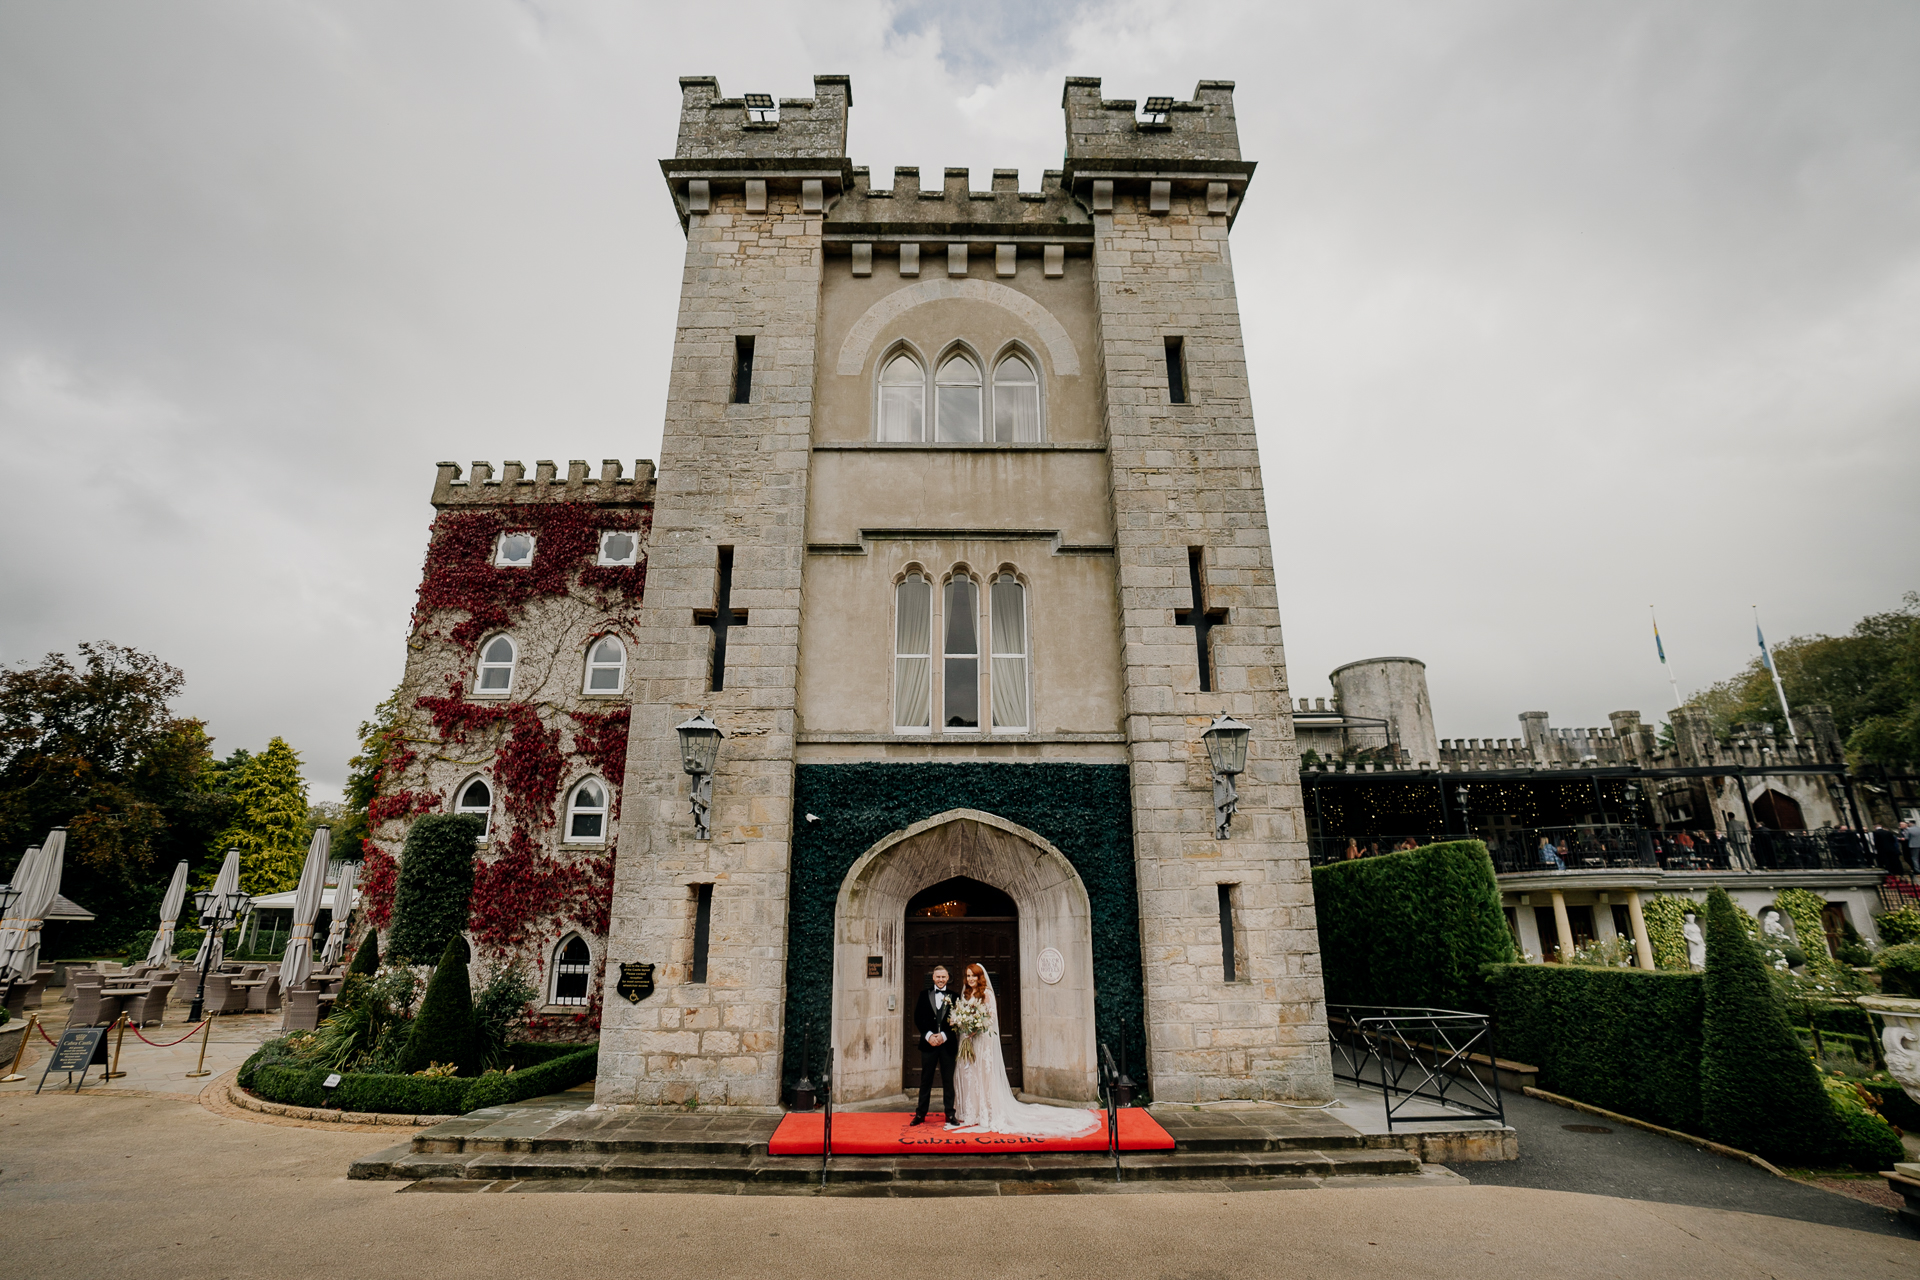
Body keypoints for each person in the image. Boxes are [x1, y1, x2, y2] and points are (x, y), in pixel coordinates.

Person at [948, 963, 1101, 1138]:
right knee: (970, 1074)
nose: (970, 979)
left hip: (982, 1040)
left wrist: (975, 1028)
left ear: (980, 977)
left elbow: (990, 1019)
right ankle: (970, 1111)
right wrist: (963, 1025)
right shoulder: (966, 993)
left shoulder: (987, 994)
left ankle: (986, 1111)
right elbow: (961, 1015)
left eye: (973, 976)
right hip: (967, 1040)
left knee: (984, 1075)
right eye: (968, 976)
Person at [909, 965, 959, 1128]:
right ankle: (920, 1113)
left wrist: (944, 1036)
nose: (940, 980)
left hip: (947, 1045)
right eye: (938, 977)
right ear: (933, 978)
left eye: (943, 977)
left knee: (948, 1081)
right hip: (928, 1045)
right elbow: (918, 1018)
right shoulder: (924, 995)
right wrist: (929, 1035)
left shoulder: (955, 996)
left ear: (948, 978)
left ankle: (950, 1114)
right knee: (926, 1080)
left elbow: (958, 1022)